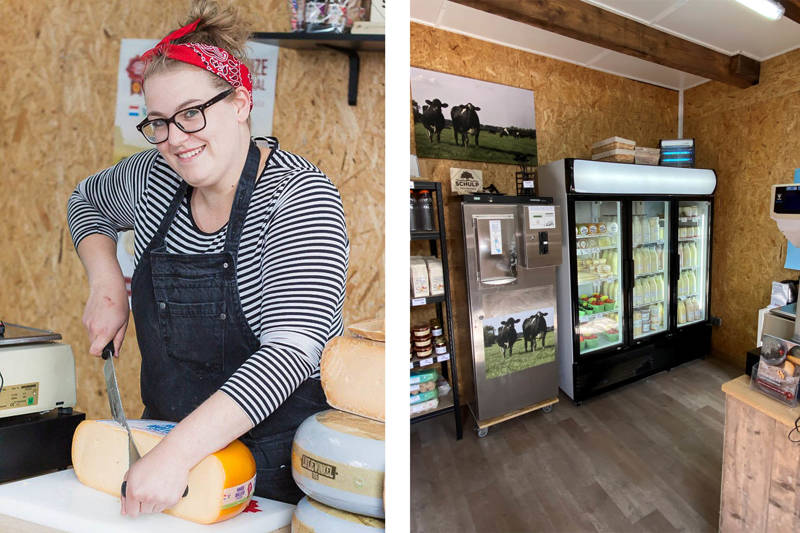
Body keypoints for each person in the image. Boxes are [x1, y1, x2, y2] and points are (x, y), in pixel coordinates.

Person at [67, 0, 348, 517]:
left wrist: (176, 455)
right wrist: (108, 284)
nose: (175, 140)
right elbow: (86, 203)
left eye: (192, 113)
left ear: (241, 102)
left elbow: (290, 352)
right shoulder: (151, 178)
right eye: (159, 122)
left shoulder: (299, 200)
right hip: (164, 448)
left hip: (272, 472)